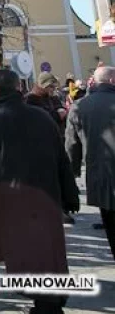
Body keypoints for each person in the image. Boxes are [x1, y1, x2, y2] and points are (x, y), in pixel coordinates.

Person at [0, 69, 80, 314]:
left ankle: (47, 304)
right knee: (47, 252)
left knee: (27, 254)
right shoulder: (42, 117)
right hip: (46, 196)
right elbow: (61, 159)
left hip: (12, 203)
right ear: (19, 87)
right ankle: (49, 300)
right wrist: (69, 194)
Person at [65, 65, 115, 260]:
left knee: (110, 221)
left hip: (99, 173)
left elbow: (71, 144)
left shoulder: (79, 106)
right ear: (111, 80)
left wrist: (72, 173)